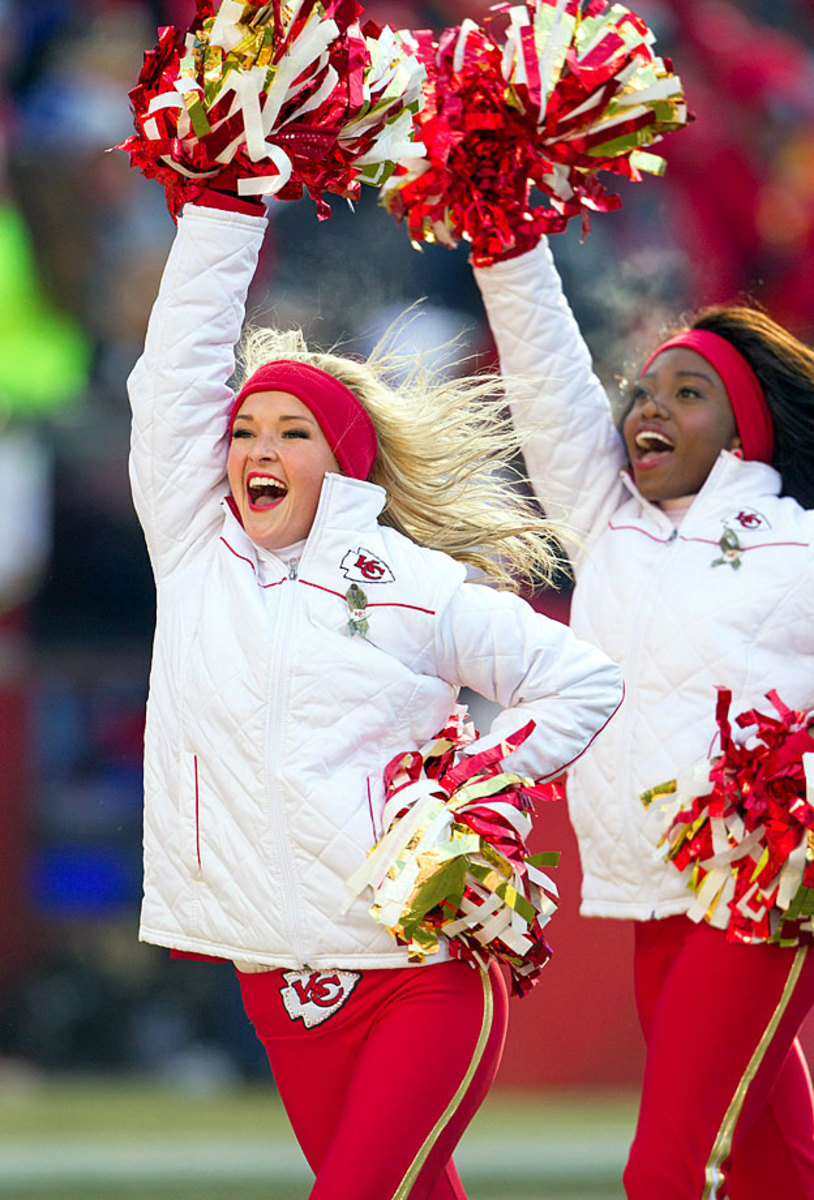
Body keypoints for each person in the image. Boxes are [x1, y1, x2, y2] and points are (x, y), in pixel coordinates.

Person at [126, 185, 624, 1200]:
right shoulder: (193, 551)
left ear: (343, 461)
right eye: (244, 430)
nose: (257, 449)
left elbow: (580, 678)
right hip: (273, 968)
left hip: (422, 966)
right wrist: (223, 204)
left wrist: (471, 786)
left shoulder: (409, 583)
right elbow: (170, 380)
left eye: (291, 432)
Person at [472, 234, 814, 1198]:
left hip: (757, 893)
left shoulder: (798, 541)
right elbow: (544, 373)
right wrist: (504, 239)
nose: (649, 409)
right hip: (651, 892)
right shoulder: (607, 522)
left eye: (687, 394)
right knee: (773, 1166)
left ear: (745, 431)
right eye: (643, 393)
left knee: (664, 1170)